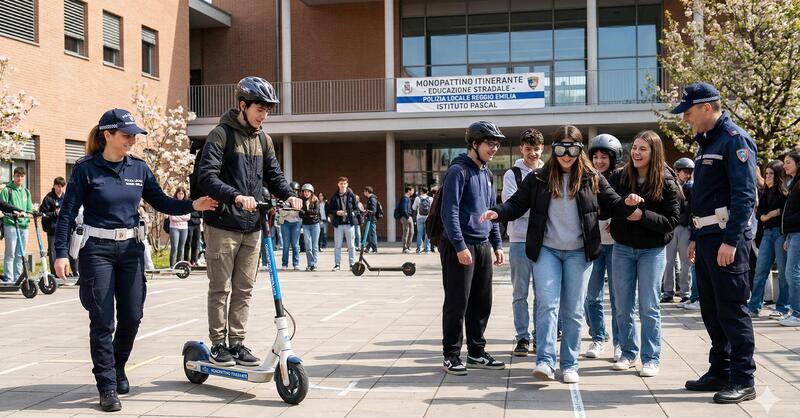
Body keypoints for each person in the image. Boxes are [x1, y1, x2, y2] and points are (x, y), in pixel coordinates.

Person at [52, 109, 218, 412]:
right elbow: (66, 213)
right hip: (96, 250)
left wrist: (193, 204)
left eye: (134, 135)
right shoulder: (85, 169)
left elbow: (161, 200)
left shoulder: (138, 168)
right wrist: (60, 252)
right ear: (108, 135)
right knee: (102, 320)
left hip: (130, 250)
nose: (132, 139)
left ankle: (117, 365)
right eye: (127, 134)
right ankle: (107, 385)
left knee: (133, 315)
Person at [483, 125, 640, 384]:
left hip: (579, 252)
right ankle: (545, 360)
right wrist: (497, 212)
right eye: (561, 149)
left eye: (572, 149)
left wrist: (627, 203)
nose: (566, 155)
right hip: (547, 250)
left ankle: (569, 364)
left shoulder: (592, 177)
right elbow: (516, 204)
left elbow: (612, 202)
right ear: (553, 150)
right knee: (547, 303)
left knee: (574, 310)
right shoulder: (539, 178)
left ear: (580, 151)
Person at [196, 76, 300, 368]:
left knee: (244, 288)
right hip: (222, 224)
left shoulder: (263, 139)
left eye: (267, 110)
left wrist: (290, 195)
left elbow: (274, 175)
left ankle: (237, 343)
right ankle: (218, 345)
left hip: (252, 226)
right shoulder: (221, 135)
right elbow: (207, 177)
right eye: (259, 109)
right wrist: (236, 196)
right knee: (221, 288)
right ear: (242, 105)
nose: (263, 115)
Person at [675, 83, 758, 404]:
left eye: (689, 112)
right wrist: (696, 236)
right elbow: (705, 198)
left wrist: (732, 241)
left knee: (732, 309)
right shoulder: (708, 142)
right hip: (707, 237)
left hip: (727, 240)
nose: (685, 119)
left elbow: (744, 196)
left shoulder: (735, 141)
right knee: (711, 309)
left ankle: (743, 378)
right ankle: (720, 370)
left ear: (707, 108)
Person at [607, 130, 680, 378]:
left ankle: (651, 358)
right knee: (622, 306)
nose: (636, 153)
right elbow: (608, 207)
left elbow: (671, 220)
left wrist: (642, 215)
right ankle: (628, 353)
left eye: (642, 149)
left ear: (654, 153)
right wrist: (623, 207)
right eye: (634, 147)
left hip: (652, 251)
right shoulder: (619, 177)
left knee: (649, 306)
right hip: (622, 249)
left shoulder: (667, 181)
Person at [439, 121, 506, 376]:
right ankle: (451, 355)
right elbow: (450, 211)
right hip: (461, 246)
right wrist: (459, 246)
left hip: (482, 244)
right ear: (475, 144)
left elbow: (491, 212)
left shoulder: (487, 173)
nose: (494, 148)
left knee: (482, 301)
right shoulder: (458, 171)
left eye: (497, 144)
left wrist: (497, 244)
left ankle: (477, 351)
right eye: (490, 143)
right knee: (458, 302)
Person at [502, 128, 545, 356]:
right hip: (519, 241)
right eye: (528, 149)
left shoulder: (548, 172)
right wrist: (536, 208)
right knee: (520, 293)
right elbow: (511, 208)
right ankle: (522, 338)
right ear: (521, 149)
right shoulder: (512, 174)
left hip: (544, 242)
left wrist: (527, 206)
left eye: (536, 149)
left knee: (542, 293)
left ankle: (540, 336)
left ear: (542, 149)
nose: (532, 154)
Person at [583, 134, 623, 361]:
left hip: (617, 246)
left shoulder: (621, 179)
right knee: (593, 297)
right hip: (594, 245)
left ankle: (619, 343)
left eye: (604, 157)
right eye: (595, 157)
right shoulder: (588, 178)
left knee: (619, 298)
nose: (599, 161)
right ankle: (598, 337)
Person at [747, 160, 789, 317]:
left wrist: (773, 213)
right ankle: (754, 306)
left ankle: (782, 308)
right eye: (767, 173)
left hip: (780, 233)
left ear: (778, 175)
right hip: (767, 233)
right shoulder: (765, 191)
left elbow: (785, 211)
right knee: (760, 271)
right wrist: (767, 215)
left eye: (772, 173)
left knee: (784, 273)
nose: (769, 176)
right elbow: (759, 213)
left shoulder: (784, 192)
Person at [662, 158, 695, 303]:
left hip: (684, 227)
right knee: (669, 261)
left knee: (686, 261)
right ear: (677, 171)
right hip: (670, 227)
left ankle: (685, 292)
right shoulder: (670, 185)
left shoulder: (691, 188)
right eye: (685, 172)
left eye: (690, 172)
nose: (687, 175)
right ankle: (668, 291)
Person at [1, 167, 33, 283]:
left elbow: (29, 208)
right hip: (11, 225)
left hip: (24, 226)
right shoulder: (7, 190)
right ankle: (9, 279)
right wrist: (14, 213)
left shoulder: (26, 192)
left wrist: (30, 214)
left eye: (22, 176)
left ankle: (17, 278)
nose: (19, 178)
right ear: (13, 176)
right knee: (10, 253)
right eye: (17, 176)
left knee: (20, 254)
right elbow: (3, 207)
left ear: (24, 177)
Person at [779, 150, 800, 326]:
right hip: (792, 234)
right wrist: (787, 236)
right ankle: (795, 310)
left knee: (792, 273)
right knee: (790, 272)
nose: (784, 165)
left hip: (798, 232)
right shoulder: (793, 183)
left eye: (788, 162)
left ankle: (798, 313)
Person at [326, 176, 358, 271]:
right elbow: (330, 210)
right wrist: (336, 212)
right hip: (338, 224)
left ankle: (352, 264)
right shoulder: (334, 196)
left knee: (351, 246)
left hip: (349, 224)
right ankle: (337, 264)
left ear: (347, 184)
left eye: (344, 183)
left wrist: (351, 213)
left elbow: (357, 210)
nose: (343, 185)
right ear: (338, 184)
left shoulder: (352, 196)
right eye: (341, 183)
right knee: (337, 246)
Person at [40, 176, 67, 272]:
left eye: (62, 186)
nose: (60, 189)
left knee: (64, 248)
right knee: (52, 250)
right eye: (58, 186)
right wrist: (54, 213)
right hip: (52, 228)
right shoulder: (48, 198)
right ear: (54, 186)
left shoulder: (65, 197)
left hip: (63, 228)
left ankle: (64, 271)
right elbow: (42, 213)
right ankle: (54, 271)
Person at [280, 181, 303, 270]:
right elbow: (281, 212)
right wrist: (292, 212)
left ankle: (296, 263)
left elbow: (300, 213)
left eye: (296, 190)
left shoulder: (300, 201)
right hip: (285, 223)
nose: (295, 192)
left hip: (296, 224)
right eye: (293, 190)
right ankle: (284, 264)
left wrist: (289, 212)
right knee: (286, 245)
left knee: (295, 244)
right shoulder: (285, 200)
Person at [299, 183, 321, 271]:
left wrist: (306, 212)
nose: (306, 193)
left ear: (311, 192)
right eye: (304, 191)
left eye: (308, 191)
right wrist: (309, 214)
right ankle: (310, 263)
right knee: (308, 246)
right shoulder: (301, 201)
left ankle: (314, 264)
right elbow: (300, 214)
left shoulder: (316, 200)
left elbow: (316, 212)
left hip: (315, 224)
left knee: (315, 246)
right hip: (306, 225)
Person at [168, 187, 191, 267]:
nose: (180, 195)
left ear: (184, 194)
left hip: (184, 228)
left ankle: (179, 265)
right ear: (176, 194)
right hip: (174, 228)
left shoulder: (187, 203)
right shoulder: (172, 203)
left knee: (181, 248)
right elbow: (172, 218)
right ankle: (172, 265)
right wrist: (182, 216)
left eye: (182, 193)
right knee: (174, 247)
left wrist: (178, 216)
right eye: (179, 193)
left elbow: (188, 217)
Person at [412, 186, 434, 254]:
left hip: (419, 218)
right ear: (427, 192)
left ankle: (419, 250)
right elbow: (433, 208)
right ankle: (427, 250)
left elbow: (414, 208)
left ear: (421, 191)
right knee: (427, 234)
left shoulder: (417, 198)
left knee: (419, 234)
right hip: (428, 218)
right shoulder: (430, 198)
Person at [362, 186, 379, 253]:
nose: (364, 193)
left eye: (364, 191)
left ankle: (375, 249)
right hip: (370, 218)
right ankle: (368, 248)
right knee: (369, 233)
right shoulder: (370, 198)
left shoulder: (372, 199)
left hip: (371, 219)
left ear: (367, 191)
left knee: (372, 233)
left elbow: (373, 210)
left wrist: (367, 212)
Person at [398, 186, 414, 253]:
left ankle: (408, 247)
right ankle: (405, 249)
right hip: (405, 217)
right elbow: (404, 209)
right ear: (409, 191)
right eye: (412, 190)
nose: (413, 192)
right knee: (406, 232)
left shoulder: (407, 198)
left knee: (411, 232)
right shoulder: (404, 198)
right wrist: (407, 217)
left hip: (408, 217)